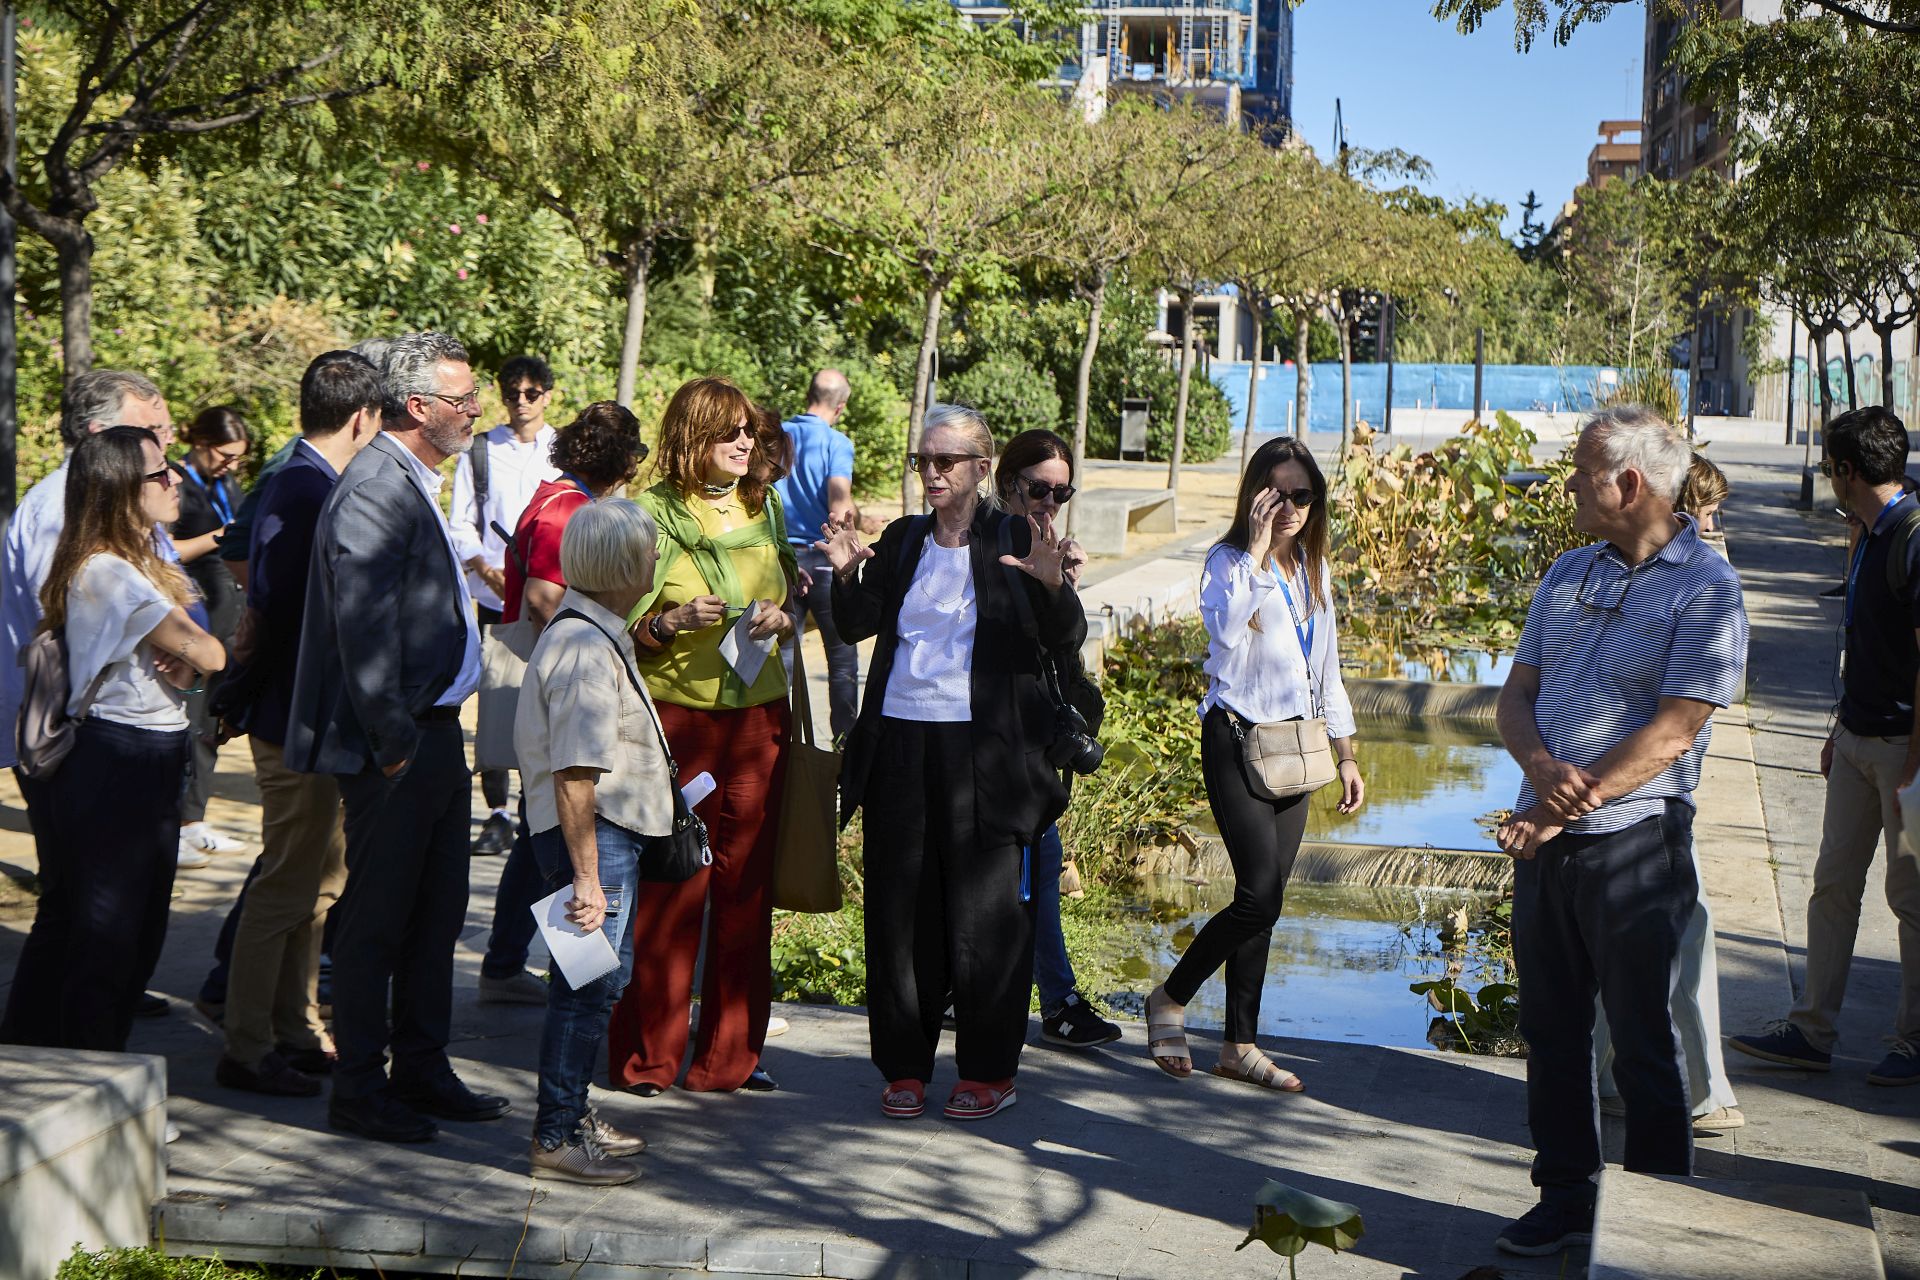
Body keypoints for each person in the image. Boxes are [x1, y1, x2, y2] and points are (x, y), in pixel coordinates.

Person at [1490, 405, 1748, 1257]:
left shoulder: (1708, 589)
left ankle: (1658, 1220)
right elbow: (1514, 696)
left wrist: (1564, 802)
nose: (1569, 483)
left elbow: (1677, 728)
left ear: (1629, 484)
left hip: (1637, 846)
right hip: (1550, 843)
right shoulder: (1568, 571)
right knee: (1552, 1032)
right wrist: (1538, 773)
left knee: (1643, 1039)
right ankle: (1564, 1197)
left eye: (1583, 470)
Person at [816, 403, 1083, 1121]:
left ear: (979, 467)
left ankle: (989, 1070)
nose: (931, 474)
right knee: (900, 913)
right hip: (903, 742)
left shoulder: (1015, 536)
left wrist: (1055, 587)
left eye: (946, 462)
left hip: (988, 753)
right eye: (923, 461)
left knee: (987, 916)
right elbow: (856, 622)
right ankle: (904, 1066)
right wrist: (843, 574)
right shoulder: (902, 541)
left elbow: (1065, 638)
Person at [285, 330, 508, 1144]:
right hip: (402, 742)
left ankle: (420, 1066)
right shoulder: (378, 485)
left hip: (433, 735)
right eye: (463, 399)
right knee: (379, 919)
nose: (476, 410)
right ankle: (361, 1087)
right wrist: (393, 742)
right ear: (419, 408)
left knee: (436, 910)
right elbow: (364, 629)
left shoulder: (408, 478)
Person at [1144, 437, 1364, 1091]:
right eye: (1278, 494)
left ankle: (1240, 1044)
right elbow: (1226, 634)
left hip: (1296, 749)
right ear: (1254, 496)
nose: (1291, 506)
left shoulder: (1317, 574)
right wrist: (1261, 554)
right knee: (1257, 894)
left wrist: (1347, 754)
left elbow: (1329, 674)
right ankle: (1172, 997)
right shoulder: (1229, 562)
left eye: (1303, 495)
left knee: (1266, 902)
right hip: (1237, 740)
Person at [0, 427, 226, 1051]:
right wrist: (191, 653)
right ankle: (92, 1079)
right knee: (112, 935)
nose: (175, 479)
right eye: (158, 473)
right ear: (120, 490)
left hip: (136, 753)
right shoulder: (109, 571)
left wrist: (181, 654)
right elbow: (208, 651)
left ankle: (49, 1061)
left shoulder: (124, 561)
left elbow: (188, 652)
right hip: (118, 758)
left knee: (101, 925)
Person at [610, 375, 796, 1096]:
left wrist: (778, 617)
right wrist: (668, 626)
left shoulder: (764, 504)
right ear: (693, 438)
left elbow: (781, 593)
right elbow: (611, 626)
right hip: (677, 723)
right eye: (730, 432)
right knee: (672, 886)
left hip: (758, 721)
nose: (746, 443)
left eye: (749, 431)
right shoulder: (646, 516)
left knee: (746, 889)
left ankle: (730, 1060)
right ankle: (648, 1060)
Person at [1728, 405, 1920, 1088]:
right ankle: (1812, 1030)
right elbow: (1861, 645)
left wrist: (1914, 769)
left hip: (1904, 752)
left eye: (1829, 468)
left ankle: (1913, 1042)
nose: (1827, 478)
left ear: (1845, 470)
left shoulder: (1912, 536)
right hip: (1858, 739)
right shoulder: (1866, 532)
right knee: (1833, 886)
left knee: (1911, 896)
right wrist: (1839, 729)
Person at [209, 353, 384, 1096]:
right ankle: (247, 1043)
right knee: (287, 882)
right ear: (361, 418)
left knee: (321, 880)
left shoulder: (312, 482)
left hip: (318, 720)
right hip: (295, 720)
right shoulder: (304, 486)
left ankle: (292, 1022)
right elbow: (274, 609)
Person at [517, 499, 673, 1185]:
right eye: (646, 552)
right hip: (593, 841)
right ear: (619, 566)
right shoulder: (583, 645)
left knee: (599, 982)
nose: (654, 564)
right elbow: (575, 776)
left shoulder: (594, 631)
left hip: (604, 838)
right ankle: (555, 1134)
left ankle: (572, 1113)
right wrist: (586, 880)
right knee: (582, 988)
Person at [476, 402, 649, 1006]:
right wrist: (610, 642)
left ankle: (512, 968)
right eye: (638, 453)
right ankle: (570, 993)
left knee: (537, 833)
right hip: (563, 697)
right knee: (553, 835)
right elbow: (548, 598)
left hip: (546, 689)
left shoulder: (554, 497)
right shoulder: (568, 510)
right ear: (618, 457)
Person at [1592, 450, 1743, 1133]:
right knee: (1682, 937)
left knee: (1630, 941)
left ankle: (1623, 1076)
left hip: (1632, 791)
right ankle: (1703, 1091)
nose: (1710, 527)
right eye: (1705, 513)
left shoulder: (1664, 577)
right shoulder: (1681, 581)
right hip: (1646, 795)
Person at [991, 429, 1119, 1049]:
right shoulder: (983, 544)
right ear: (1004, 482)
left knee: (1039, 865)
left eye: (1060, 493)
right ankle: (1051, 1000)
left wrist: (1060, 584)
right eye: (1038, 489)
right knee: (1019, 869)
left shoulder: (1042, 546)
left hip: (1035, 741)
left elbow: (1065, 645)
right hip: (989, 743)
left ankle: (1055, 998)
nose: (1048, 503)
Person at [452, 354, 563, 856]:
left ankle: (537, 806)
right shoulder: (480, 450)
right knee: (496, 700)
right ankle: (496, 811)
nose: (521, 402)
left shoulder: (561, 450)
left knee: (547, 698)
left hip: (549, 595)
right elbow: (460, 522)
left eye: (532, 392)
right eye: (512, 392)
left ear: (548, 394)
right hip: (496, 596)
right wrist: (484, 568)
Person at [171, 405, 252, 859]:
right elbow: (163, 551)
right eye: (224, 454)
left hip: (229, 620)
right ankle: (174, 822)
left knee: (210, 727)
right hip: (193, 620)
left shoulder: (226, 482)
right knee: (187, 723)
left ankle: (194, 820)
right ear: (201, 444)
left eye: (238, 457)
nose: (230, 464)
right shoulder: (174, 483)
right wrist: (223, 535)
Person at [774, 369, 859, 739]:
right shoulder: (836, 443)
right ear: (840, 407)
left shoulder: (777, 437)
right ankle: (843, 750)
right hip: (823, 561)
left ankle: (782, 746)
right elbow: (838, 508)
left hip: (780, 563)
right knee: (841, 661)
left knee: (784, 660)